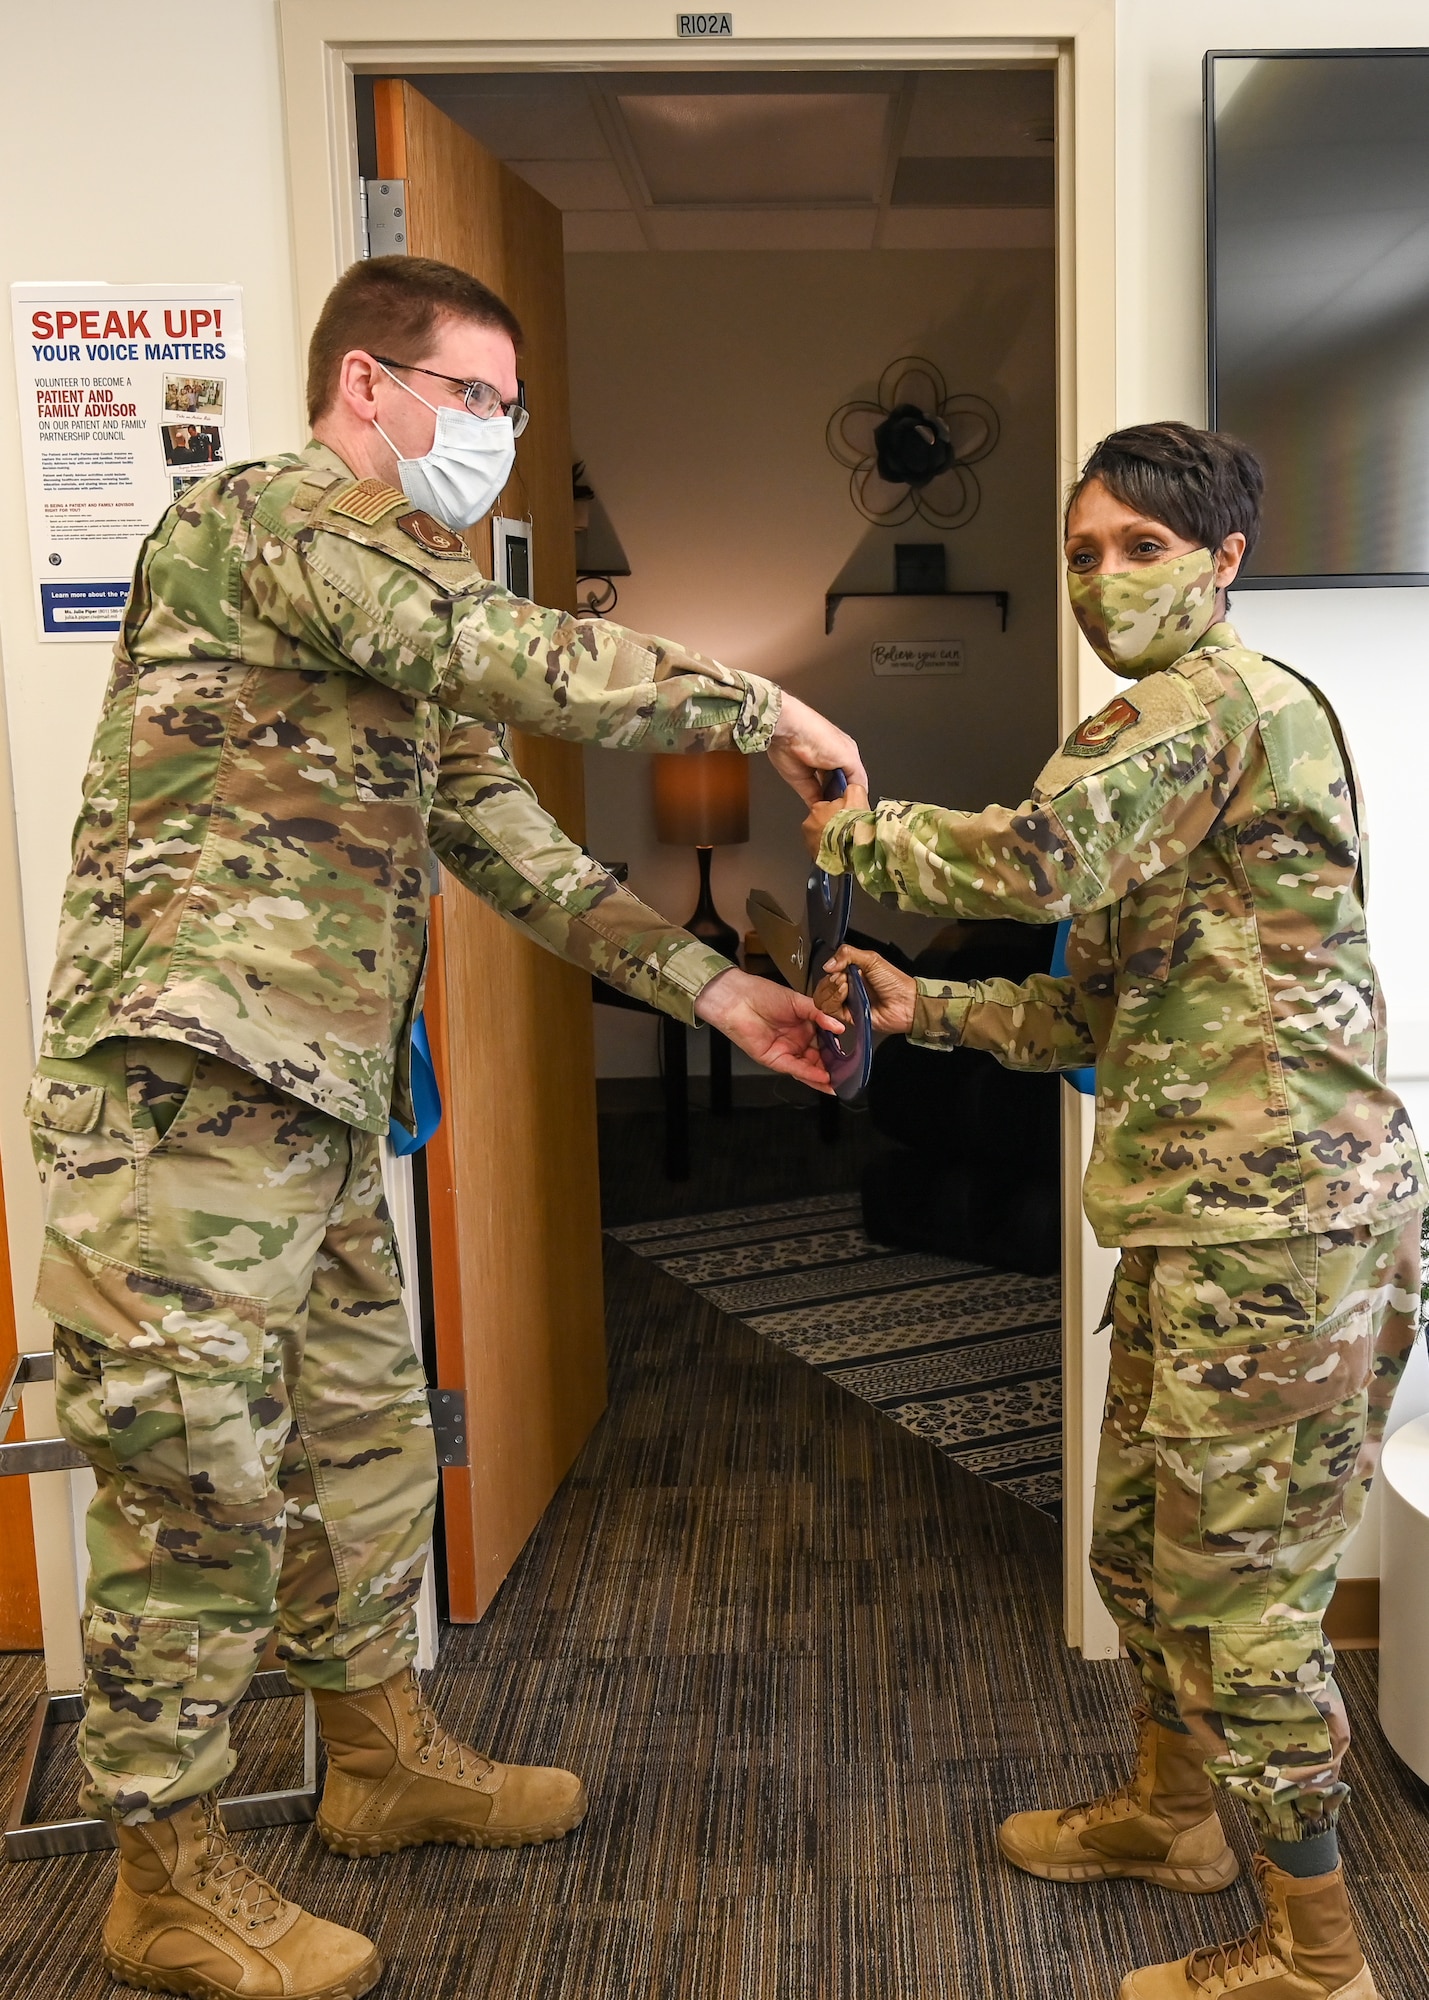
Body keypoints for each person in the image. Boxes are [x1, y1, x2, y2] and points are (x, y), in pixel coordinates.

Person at [30, 253, 859, 2000]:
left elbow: (513, 840)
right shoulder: (266, 524)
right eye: (475, 400)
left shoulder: (402, 615)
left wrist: (717, 997)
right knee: (196, 1484)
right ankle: (165, 1875)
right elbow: (504, 649)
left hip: (317, 1100)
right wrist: (759, 706)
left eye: (508, 409)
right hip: (183, 1088)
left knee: (362, 1445)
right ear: (365, 388)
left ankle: (381, 1762)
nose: (495, 436)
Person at [807, 422, 1422, 2000]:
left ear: (1223, 564)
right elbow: (1094, 1018)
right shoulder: (1149, 746)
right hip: (1193, 1221)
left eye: (1139, 549)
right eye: (1082, 551)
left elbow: (1032, 857)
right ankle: (1171, 1817)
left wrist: (847, 825)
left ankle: (1320, 1956)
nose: (1100, 579)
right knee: (1144, 1556)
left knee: (1245, 1605)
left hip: (1279, 1237)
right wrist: (919, 1007)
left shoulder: (1213, 708)